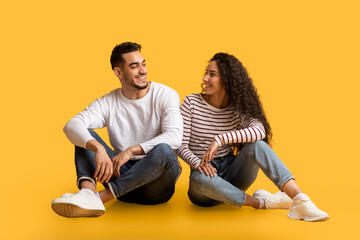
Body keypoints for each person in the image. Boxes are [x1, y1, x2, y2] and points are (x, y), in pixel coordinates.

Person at [177, 52, 329, 222]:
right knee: (198, 180)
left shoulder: (236, 109)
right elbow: (180, 145)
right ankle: (262, 202)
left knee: (257, 145)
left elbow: (259, 131)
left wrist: (219, 139)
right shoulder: (191, 103)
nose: (205, 78)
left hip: (232, 172)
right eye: (206, 73)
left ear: (227, 80)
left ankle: (301, 201)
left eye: (212, 74)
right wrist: (198, 164)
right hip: (203, 181)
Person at [51, 42, 183, 218]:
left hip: (157, 187)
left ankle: (98, 198)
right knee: (85, 136)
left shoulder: (165, 94)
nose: (143, 71)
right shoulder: (109, 101)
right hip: (122, 179)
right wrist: (97, 148)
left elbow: (175, 137)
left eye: (143, 64)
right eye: (134, 66)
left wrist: (131, 150)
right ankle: (87, 193)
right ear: (118, 72)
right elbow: (72, 125)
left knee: (165, 150)